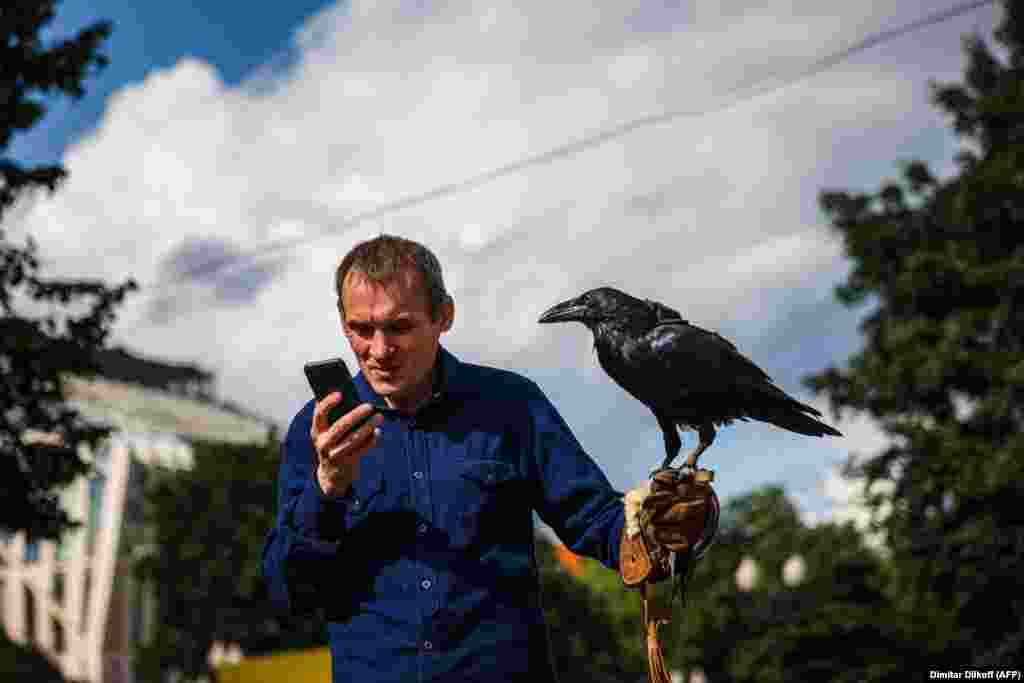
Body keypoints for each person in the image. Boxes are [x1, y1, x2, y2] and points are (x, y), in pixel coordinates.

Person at [261, 234, 709, 682]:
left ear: (444, 316)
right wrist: (327, 487)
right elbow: (287, 590)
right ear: (343, 324)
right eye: (362, 330)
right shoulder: (316, 432)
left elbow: (595, 519)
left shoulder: (511, 404)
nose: (380, 350)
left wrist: (653, 529)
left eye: (399, 327)